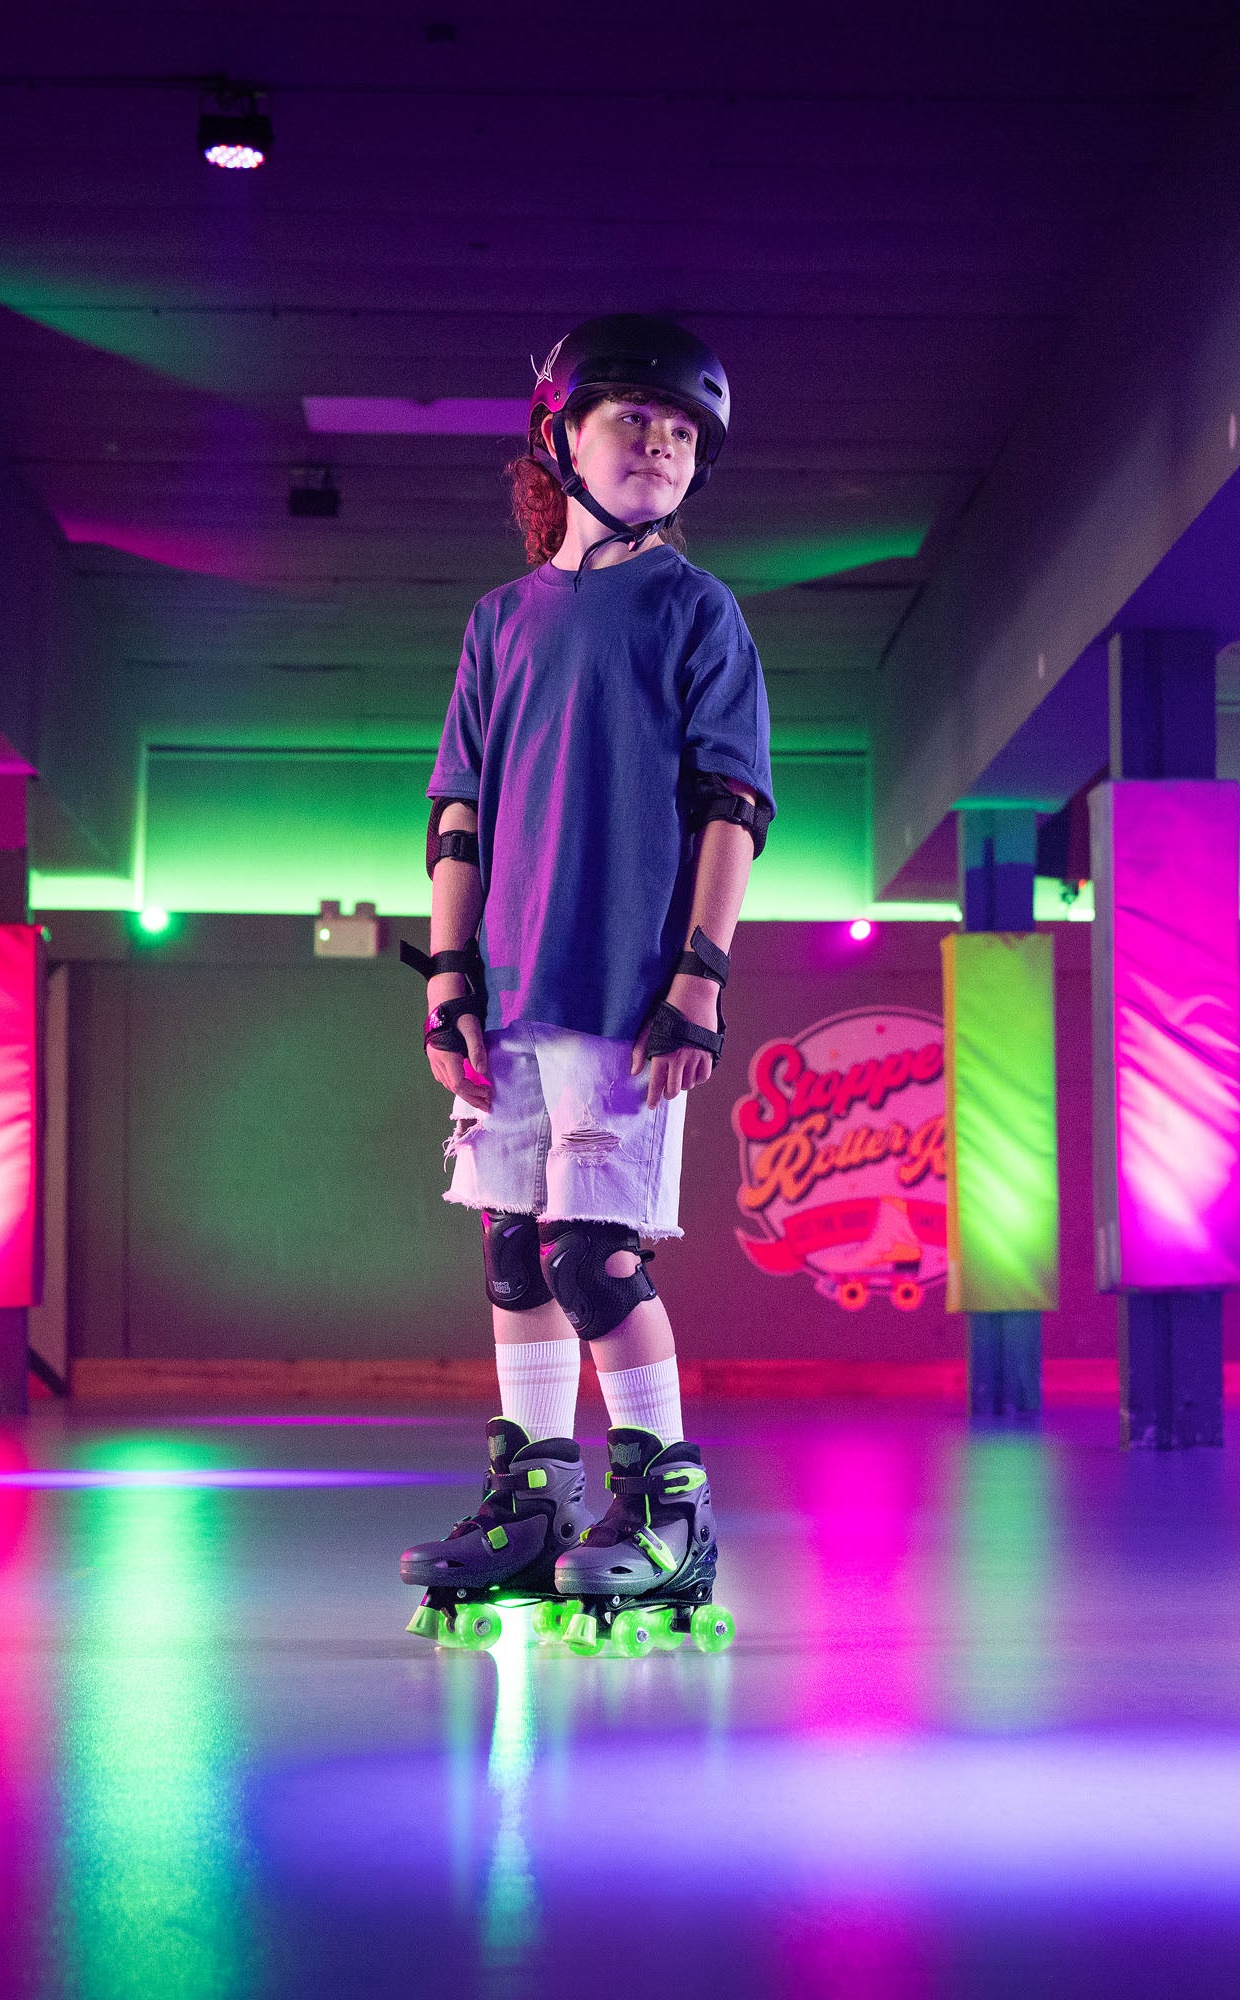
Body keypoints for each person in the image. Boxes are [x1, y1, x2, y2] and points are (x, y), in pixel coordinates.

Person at [397, 315, 772, 1653]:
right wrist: (447, 973)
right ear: (561, 436)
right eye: (636, 421)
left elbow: (732, 804)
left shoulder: (696, 610)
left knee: (592, 1255)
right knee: (512, 1245)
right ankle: (534, 1500)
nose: (663, 448)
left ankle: (668, 1509)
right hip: (508, 984)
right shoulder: (499, 622)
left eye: (683, 434)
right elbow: (459, 811)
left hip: (624, 988)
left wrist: (702, 979)